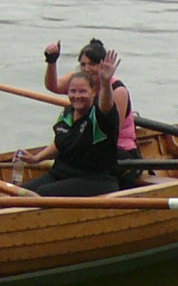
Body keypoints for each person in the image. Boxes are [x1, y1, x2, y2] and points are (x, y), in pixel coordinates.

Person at [44, 37, 145, 188]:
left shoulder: (118, 91)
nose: (87, 69)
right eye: (83, 64)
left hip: (118, 150)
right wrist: (51, 62)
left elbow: (111, 132)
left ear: (103, 65)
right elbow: (54, 86)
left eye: (92, 64)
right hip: (88, 144)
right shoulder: (79, 81)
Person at [19, 50, 122, 196]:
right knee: (20, 192)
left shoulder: (100, 115)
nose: (77, 96)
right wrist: (36, 158)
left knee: (43, 193)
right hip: (61, 174)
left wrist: (105, 82)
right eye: (73, 91)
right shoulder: (67, 113)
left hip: (96, 180)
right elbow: (60, 143)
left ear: (93, 92)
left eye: (83, 92)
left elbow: (106, 105)